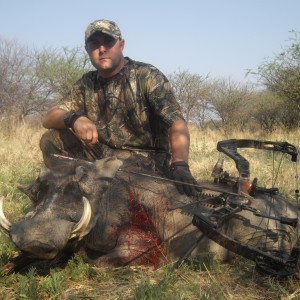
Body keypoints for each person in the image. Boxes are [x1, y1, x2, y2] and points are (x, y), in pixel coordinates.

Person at [40, 19, 200, 196]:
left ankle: (88, 192)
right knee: (51, 138)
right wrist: (75, 118)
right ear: (87, 50)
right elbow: (48, 117)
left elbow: (176, 123)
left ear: (121, 45)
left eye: (108, 41)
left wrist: (180, 165)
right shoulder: (85, 83)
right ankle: (62, 196)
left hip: (145, 164)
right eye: (94, 44)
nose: (102, 49)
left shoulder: (147, 76)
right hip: (103, 158)